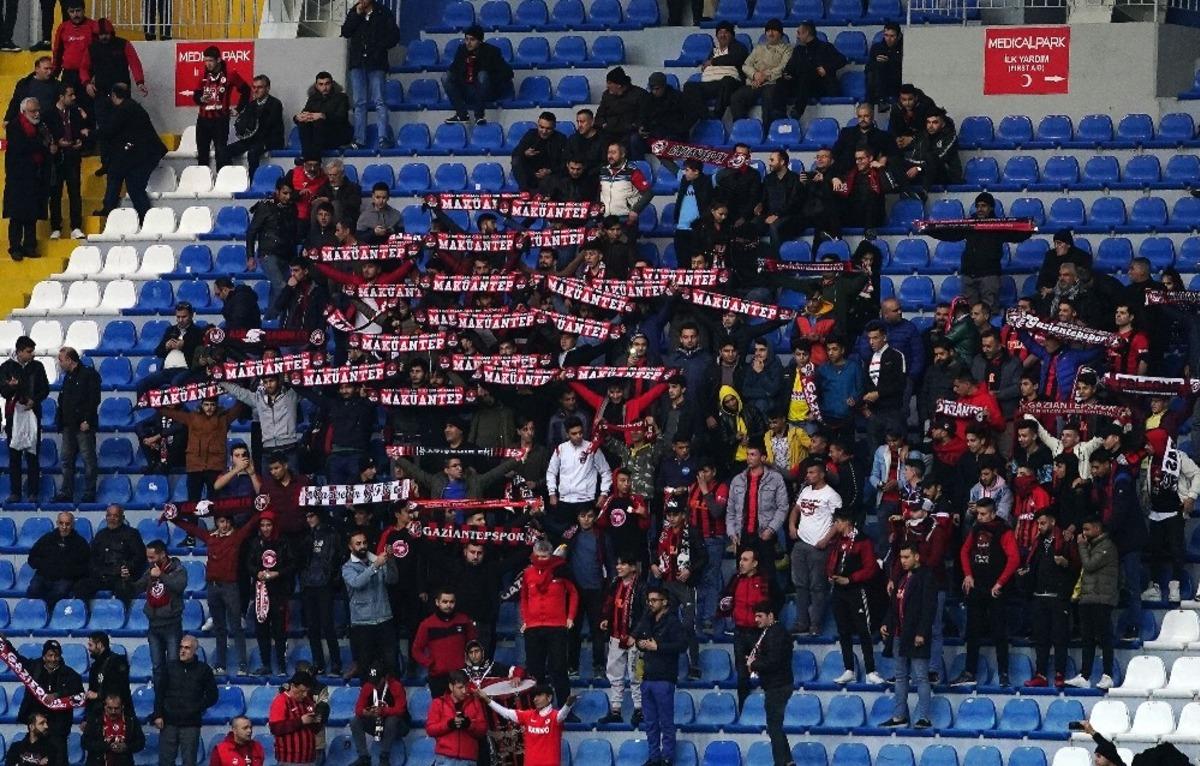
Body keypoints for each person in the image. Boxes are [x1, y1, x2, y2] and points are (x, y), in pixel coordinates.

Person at [169, 508, 261, 676]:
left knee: (236, 627)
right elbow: (192, 529)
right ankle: (221, 665)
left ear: (230, 522)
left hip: (230, 587)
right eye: (220, 522)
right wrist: (173, 519)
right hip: (213, 587)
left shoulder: (236, 536)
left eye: (226, 522)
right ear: (217, 523)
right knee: (220, 628)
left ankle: (242, 665)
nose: (223, 525)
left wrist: (262, 509)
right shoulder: (210, 537)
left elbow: (251, 524)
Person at [953, 497, 1018, 687]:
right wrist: (967, 575)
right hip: (976, 587)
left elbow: (1013, 559)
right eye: (977, 514)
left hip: (995, 589)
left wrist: (1000, 583)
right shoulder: (975, 528)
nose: (979, 517)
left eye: (983, 514)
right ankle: (969, 672)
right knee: (972, 633)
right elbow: (964, 552)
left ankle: (1004, 674)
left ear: (993, 513)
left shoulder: (1003, 530)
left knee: (999, 633)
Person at [879, 542, 936, 728]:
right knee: (901, 676)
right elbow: (894, 604)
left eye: (906, 557)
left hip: (915, 635)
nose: (903, 561)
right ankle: (899, 716)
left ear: (916, 557)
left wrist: (921, 632)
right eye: (901, 557)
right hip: (898, 634)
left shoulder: (926, 577)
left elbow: (929, 608)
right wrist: (887, 622)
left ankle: (924, 717)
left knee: (921, 676)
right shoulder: (902, 577)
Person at [80, 19, 145, 177]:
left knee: (124, 128)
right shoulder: (91, 48)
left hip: (121, 95)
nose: (104, 37)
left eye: (106, 34)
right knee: (103, 130)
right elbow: (83, 68)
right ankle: (106, 163)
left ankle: (125, 160)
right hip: (101, 95)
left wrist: (140, 82)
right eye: (101, 34)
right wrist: (87, 83)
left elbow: (135, 63)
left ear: (112, 33)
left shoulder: (124, 44)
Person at [826, 509, 883, 685]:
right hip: (838, 591)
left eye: (837, 522)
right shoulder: (838, 542)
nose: (835, 525)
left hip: (857, 591)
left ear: (846, 522)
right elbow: (832, 561)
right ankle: (848, 669)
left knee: (863, 631)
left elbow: (870, 568)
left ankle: (871, 671)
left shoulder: (862, 541)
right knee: (843, 631)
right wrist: (830, 574)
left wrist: (850, 579)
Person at [97, 82, 166, 221]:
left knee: (134, 186)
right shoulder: (132, 106)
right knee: (124, 178)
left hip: (145, 153)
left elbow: (109, 130)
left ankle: (146, 219)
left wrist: (88, 134)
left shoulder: (124, 110)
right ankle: (140, 217)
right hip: (142, 152)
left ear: (114, 96)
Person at [633, 586, 685, 766]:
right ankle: (654, 757)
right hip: (647, 677)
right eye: (649, 600)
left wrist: (658, 647)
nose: (651, 603)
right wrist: (641, 644)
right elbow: (638, 638)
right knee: (650, 723)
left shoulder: (672, 622)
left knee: (666, 722)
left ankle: (667, 757)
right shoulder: (647, 619)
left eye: (655, 600)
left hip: (664, 678)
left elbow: (681, 645)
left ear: (665, 602)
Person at [787, 457, 840, 635]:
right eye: (807, 472)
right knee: (800, 585)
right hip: (801, 543)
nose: (808, 476)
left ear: (822, 474)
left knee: (818, 587)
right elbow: (796, 509)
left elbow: (839, 521)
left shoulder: (831, 495)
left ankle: (815, 625)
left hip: (819, 547)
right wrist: (791, 525)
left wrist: (826, 539)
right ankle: (801, 622)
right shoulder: (805, 491)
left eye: (812, 472)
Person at [156, 397, 247, 500]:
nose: (209, 408)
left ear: (216, 406)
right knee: (192, 503)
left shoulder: (224, 418)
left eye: (212, 405)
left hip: (215, 466)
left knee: (216, 502)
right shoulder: (192, 417)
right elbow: (167, 412)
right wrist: (153, 401)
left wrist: (242, 388)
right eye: (206, 404)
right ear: (201, 405)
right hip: (195, 466)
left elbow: (239, 407)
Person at [341, 0, 400, 148]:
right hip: (357, 62)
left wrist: (379, 47)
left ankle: (383, 138)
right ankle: (359, 139)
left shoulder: (383, 12)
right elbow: (346, 31)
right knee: (359, 103)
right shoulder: (354, 12)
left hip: (376, 62)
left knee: (379, 101)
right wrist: (357, 15)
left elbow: (394, 36)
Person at [151, 635, 217, 766]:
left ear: (194, 650)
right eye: (181, 647)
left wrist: (196, 708)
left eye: (187, 648)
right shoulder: (169, 667)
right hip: (168, 722)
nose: (182, 650)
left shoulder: (204, 670)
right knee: (165, 762)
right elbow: (160, 692)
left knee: (189, 762)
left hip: (191, 724)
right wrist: (158, 714)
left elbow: (213, 696)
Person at [598, 554, 646, 726]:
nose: (619, 567)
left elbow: (645, 615)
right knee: (614, 675)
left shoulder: (641, 587)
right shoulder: (614, 584)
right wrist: (605, 619)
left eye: (623, 564)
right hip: (616, 636)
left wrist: (636, 634)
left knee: (636, 675)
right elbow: (609, 605)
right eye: (618, 564)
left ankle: (639, 710)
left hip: (635, 639)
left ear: (633, 568)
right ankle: (616, 710)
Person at [4, 96, 54, 260]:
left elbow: (46, 144)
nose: (36, 114)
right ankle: (15, 247)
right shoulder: (14, 127)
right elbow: (23, 147)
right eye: (33, 111)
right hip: (18, 178)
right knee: (17, 215)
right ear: (24, 111)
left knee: (32, 214)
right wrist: (42, 145)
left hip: (35, 176)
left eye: (37, 110)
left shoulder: (42, 126)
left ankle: (30, 246)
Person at [343, 530, 398, 677]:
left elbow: (392, 580)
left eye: (364, 543)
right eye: (358, 543)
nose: (362, 546)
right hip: (363, 623)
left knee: (391, 664)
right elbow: (357, 583)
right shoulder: (347, 567)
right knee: (366, 667)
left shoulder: (377, 559)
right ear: (350, 547)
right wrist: (375, 567)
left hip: (384, 618)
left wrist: (391, 560)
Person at [478, 684, 576, 766]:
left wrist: (568, 705)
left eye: (539, 695)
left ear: (549, 697)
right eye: (534, 696)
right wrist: (487, 700)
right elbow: (506, 713)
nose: (535, 699)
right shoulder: (528, 715)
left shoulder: (555, 716)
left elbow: (562, 714)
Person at [132, 540, 187, 685]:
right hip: (154, 626)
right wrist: (126, 579)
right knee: (157, 667)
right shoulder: (150, 570)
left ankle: (174, 701)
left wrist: (161, 575)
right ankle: (160, 704)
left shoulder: (178, 568)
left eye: (152, 557)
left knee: (174, 666)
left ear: (162, 554)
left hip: (172, 625)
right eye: (148, 558)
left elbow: (179, 586)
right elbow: (137, 587)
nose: (149, 561)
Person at [246, 512, 294, 676]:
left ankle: (281, 665)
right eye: (263, 525)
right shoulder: (255, 543)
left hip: (279, 593)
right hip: (260, 593)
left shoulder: (284, 542)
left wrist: (277, 573)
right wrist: (257, 572)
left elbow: (292, 564)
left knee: (280, 631)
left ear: (274, 525)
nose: (266, 528)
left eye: (269, 525)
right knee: (262, 631)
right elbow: (249, 563)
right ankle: (266, 664)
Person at [746, 601, 793, 766]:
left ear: (771, 616)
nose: (756, 619)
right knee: (775, 726)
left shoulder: (776, 633)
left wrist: (754, 664)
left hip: (778, 685)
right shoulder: (771, 631)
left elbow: (774, 661)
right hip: (775, 684)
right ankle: (787, 761)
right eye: (755, 616)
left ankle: (781, 762)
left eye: (760, 616)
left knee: (774, 728)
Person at [298, 508, 343, 677]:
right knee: (312, 627)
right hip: (309, 585)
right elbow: (300, 560)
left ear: (319, 516)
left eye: (312, 515)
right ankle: (319, 663)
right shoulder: (305, 536)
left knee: (327, 625)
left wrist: (333, 580)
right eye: (307, 516)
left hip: (325, 585)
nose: (308, 519)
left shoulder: (332, 534)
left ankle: (336, 663)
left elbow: (338, 558)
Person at [15, 639, 84, 748]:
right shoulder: (34, 667)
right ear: (44, 656)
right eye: (50, 655)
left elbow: (80, 694)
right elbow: (16, 659)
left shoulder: (71, 675)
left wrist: (57, 695)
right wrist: (5, 643)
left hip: (59, 729)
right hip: (37, 728)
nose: (53, 659)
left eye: (56, 656)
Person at [52, 346, 100, 502]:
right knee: (66, 460)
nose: (59, 363)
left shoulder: (89, 374)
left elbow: (94, 399)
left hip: (82, 425)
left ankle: (89, 492)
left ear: (69, 360)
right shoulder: (68, 377)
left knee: (88, 459)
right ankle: (66, 492)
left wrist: (87, 419)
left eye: (61, 360)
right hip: (68, 425)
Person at [414, 588, 478, 698]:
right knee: (441, 712)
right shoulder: (427, 625)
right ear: (437, 602)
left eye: (451, 602)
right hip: (438, 677)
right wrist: (430, 663)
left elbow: (473, 645)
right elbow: (416, 650)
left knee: (464, 711)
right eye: (445, 602)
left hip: (461, 675)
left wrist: (469, 663)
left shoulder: (464, 621)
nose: (448, 605)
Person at [444, 24, 513, 125]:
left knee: (482, 75)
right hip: (467, 89)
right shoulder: (462, 50)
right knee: (446, 77)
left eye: (472, 40)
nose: (468, 43)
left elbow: (508, 73)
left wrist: (490, 79)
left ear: (480, 41)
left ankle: (479, 115)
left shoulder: (492, 52)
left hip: (487, 91)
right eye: (466, 39)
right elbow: (453, 70)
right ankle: (461, 114)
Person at [193, 45, 249, 170]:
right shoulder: (202, 75)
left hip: (220, 120)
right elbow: (195, 95)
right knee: (202, 154)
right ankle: (203, 183)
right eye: (205, 60)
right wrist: (201, 99)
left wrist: (238, 109)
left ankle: (221, 183)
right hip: (202, 120)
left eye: (210, 61)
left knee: (221, 153)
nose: (208, 64)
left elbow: (246, 90)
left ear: (218, 60)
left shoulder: (230, 74)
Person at [729, 19, 791, 125]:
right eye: (768, 31)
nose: (770, 33)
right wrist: (755, 75)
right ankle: (743, 129)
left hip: (773, 83)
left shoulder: (787, 49)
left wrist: (765, 76)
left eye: (774, 30)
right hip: (755, 83)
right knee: (736, 97)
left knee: (769, 97)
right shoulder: (758, 48)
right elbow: (746, 65)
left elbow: (783, 67)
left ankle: (768, 130)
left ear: (780, 33)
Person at [780, 21, 846, 120]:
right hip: (801, 85)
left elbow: (842, 60)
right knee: (780, 80)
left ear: (806, 33)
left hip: (821, 85)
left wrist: (826, 68)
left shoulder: (825, 47)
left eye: (799, 33)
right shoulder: (798, 50)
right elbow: (790, 67)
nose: (797, 36)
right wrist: (786, 74)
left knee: (806, 73)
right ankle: (779, 115)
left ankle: (798, 110)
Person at [47, 82, 87, 240]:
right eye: (70, 95)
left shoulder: (76, 112)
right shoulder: (49, 114)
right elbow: (45, 136)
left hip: (73, 157)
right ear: (61, 97)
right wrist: (56, 143)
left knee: (75, 193)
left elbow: (83, 131)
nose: (74, 97)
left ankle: (76, 227)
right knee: (55, 194)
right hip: (57, 160)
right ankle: (55, 227)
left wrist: (80, 141)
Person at [683, 22, 747, 120]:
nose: (722, 35)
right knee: (689, 86)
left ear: (732, 35)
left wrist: (713, 61)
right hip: (710, 84)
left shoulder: (738, 47)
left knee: (727, 80)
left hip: (730, 83)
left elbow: (736, 58)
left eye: (726, 32)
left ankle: (717, 114)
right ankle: (705, 115)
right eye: (720, 33)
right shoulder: (713, 51)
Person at [348, 665, 409, 766]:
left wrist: (383, 711)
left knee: (392, 719)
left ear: (385, 677)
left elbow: (400, 710)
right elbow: (358, 709)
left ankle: (384, 756)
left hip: (398, 726)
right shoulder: (368, 686)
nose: (375, 685)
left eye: (377, 681)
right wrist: (366, 712)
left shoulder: (396, 686)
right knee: (355, 720)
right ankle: (364, 757)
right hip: (377, 724)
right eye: (373, 682)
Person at [27, 512, 90, 608]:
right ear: (57, 523)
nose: (64, 527)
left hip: (66, 578)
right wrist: (45, 567)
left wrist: (69, 572)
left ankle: (49, 614)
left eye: (67, 524)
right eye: (61, 523)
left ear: (72, 525)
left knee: (59, 592)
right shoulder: (47, 539)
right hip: (44, 575)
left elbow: (86, 565)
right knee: (33, 589)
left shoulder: (80, 543)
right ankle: (34, 615)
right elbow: (32, 557)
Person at [426, 670, 488, 766]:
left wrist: (469, 725)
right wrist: (449, 724)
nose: (464, 691)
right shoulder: (438, 703)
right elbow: (430, 729)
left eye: (466, 686)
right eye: (460, 687)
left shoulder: (475, 703)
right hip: (445, 758)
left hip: (468, 759)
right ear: (451, 687)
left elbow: (482, 730)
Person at [228, 74, 284, 177]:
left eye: (260, 87)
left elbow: (267, 126)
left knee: (253, 152)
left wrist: (251, 130)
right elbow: (244, 123)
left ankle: (254, 181)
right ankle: (232, 179)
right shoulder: (251, 104)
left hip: (271, 139)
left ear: (267, 88)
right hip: (253, 139)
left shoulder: (275, 104)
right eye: (254, 87)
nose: (256, 90)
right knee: (226, 151)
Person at [268, 671, 323, 766]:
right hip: (289, 760)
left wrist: (316, 722)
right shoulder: (281, 701)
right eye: (302, 691)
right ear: (293, 686)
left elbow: (314, 730)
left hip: (309, 758)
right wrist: (301, 721)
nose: (305, 694)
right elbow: (275, 728)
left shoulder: (308, 701)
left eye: (307, 691)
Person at [294, 72, 351, 155]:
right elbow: (306, 112)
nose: (324, 87)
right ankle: (309, 158)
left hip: (336, 134)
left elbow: (341, 118)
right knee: (304, 123)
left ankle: (311, 158)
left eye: (327, 84)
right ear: (316, 86)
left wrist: (323, 116)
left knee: (319, 122)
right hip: (318, 136)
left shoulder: (341, 97)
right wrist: (298, 117)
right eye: (321, 84)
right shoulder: (313, 99)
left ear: (332, 84)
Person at [82, 693, 145, 766]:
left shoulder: (131, 721)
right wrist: (107, 746)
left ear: (122, 707)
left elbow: (140, 742)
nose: (113, 712)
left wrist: (126, 747)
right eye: (110, 708)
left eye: (116, 708)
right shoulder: (95, 720)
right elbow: (85, 743)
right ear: (105, 707)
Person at [511, 112, 566, 192]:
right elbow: (515, 153)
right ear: (537, 125)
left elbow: (565, 162)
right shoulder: (530, 135)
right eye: (541, 127)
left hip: (551, 175)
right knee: (516, 160)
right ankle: (525, 192)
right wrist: (525, 154)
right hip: (531, 176)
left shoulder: (561, 139)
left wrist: (550, 171)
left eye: (548, 128)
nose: (544, 131)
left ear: (554, 127)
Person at [84, 631, 132, 717]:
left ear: (99, 645)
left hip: (117, 714)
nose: (89, 648)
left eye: (90, 645)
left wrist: (99, 695)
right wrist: (86, 718)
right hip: (97, 714)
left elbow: (121, 689)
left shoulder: (118, 662)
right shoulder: (95, 666)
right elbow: (91, 691)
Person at [5, 56, 59, 122]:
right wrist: (7, 119)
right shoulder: (24, 83)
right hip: (26, 123)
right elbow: (15, 102)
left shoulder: (56, 85)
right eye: (46, 69)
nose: (49, 72)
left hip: (49, 123)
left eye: (51, 69)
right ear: (37, 69)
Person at [865, 23, 903, 109]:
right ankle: (879, 100)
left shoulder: (904, 48)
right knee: (874, 70)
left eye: (892, 36)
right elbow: (867, 68)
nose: (888, 39)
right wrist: (876, 61)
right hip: (879, 82)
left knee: (879, 67)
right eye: (886, 35)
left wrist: (889, 60)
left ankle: (872, 103)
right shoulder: (877, 48)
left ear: (898, 36)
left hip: (896, 82)